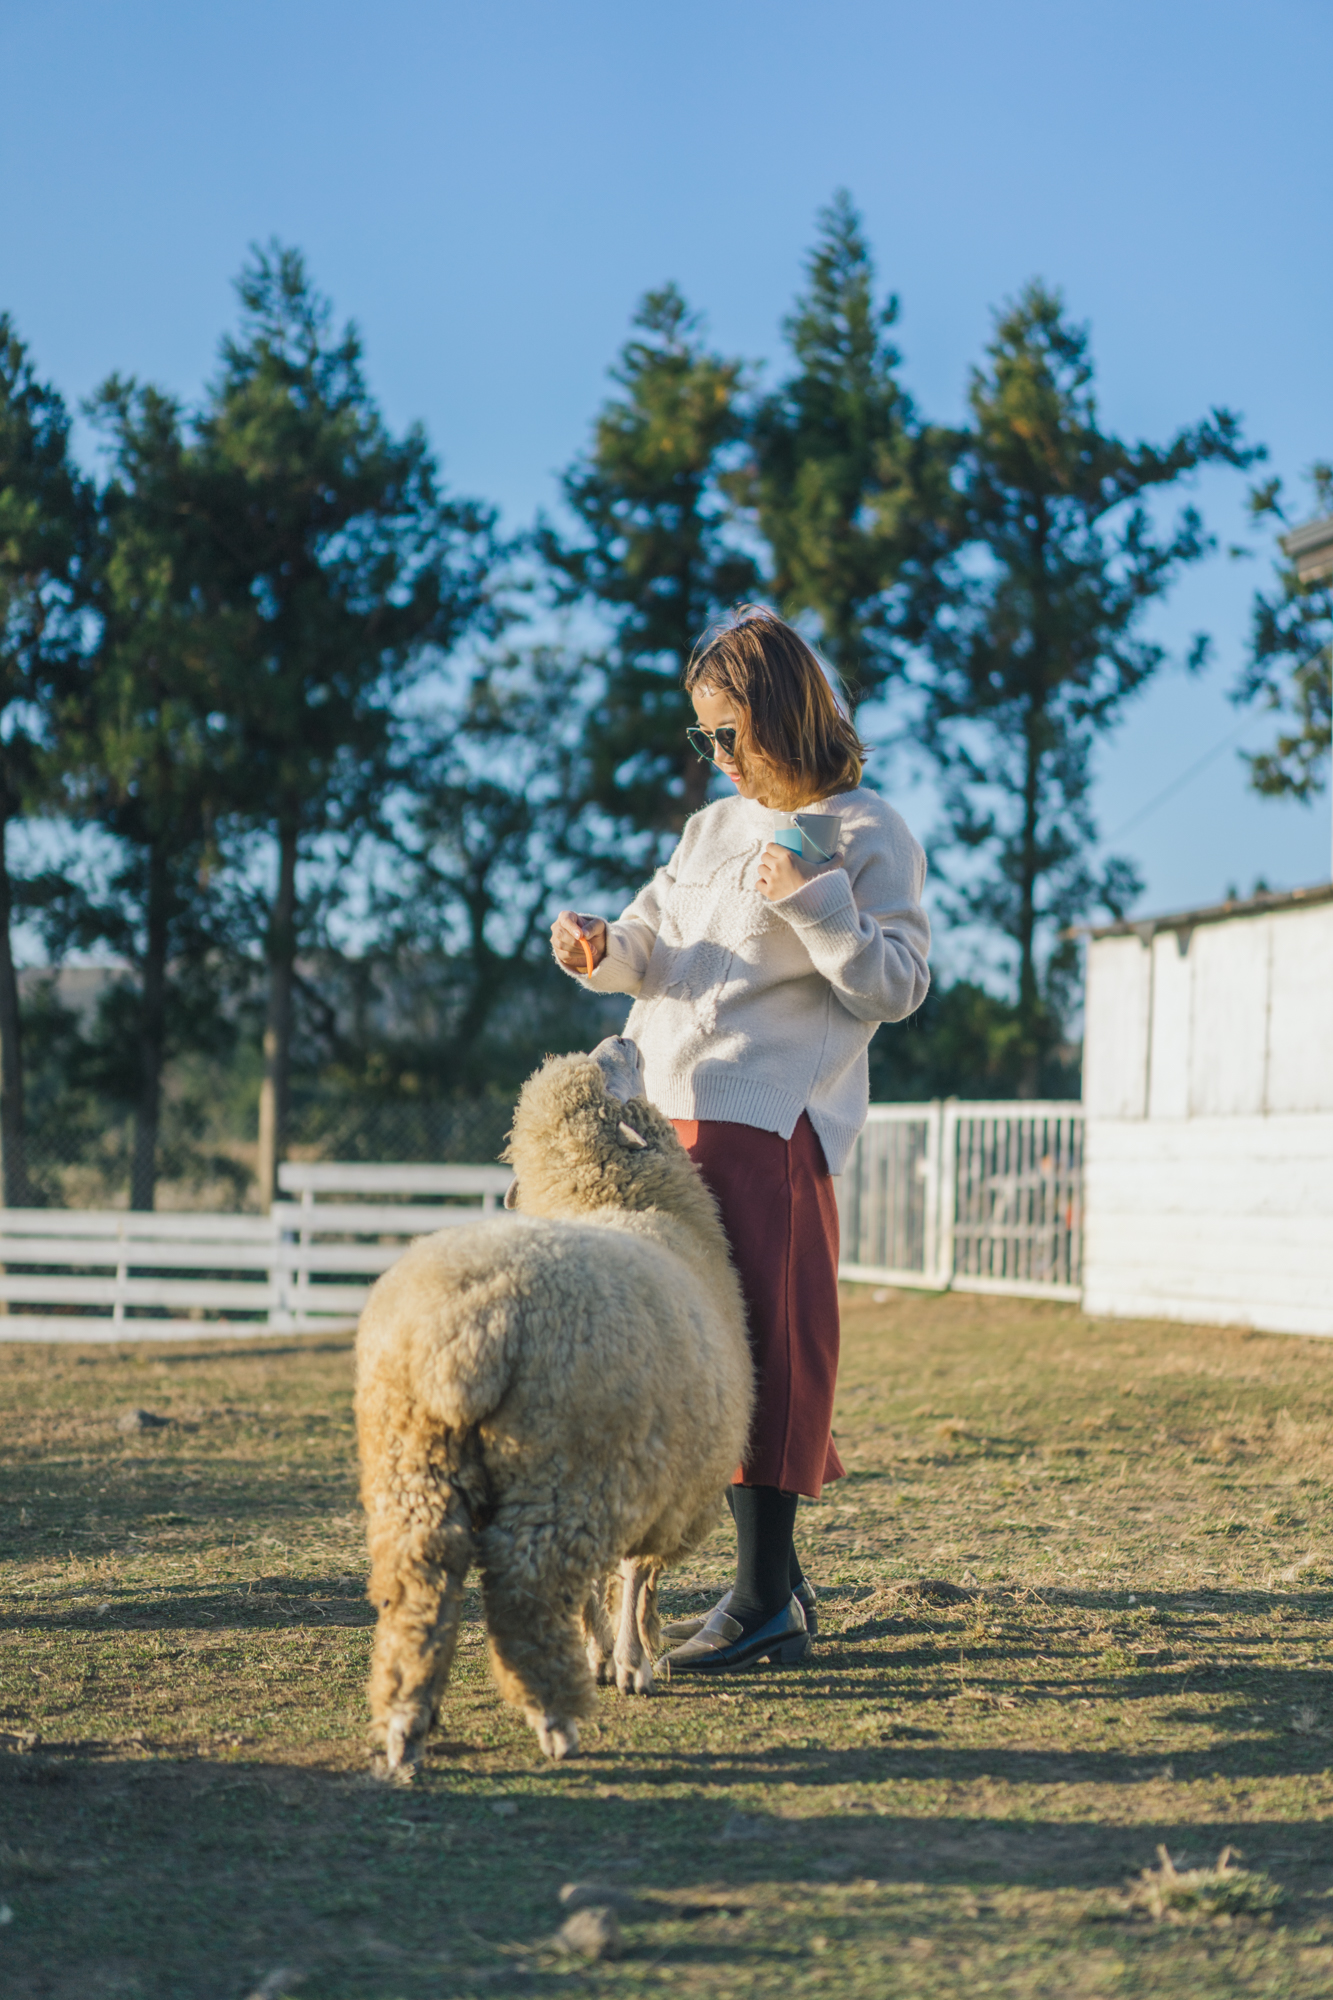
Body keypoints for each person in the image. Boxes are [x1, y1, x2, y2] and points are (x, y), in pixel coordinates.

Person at [551, 606, 930, 1674]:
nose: (716, 758)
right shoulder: (708, 831)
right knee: (684, 1353)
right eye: (702, 738)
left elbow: (896, 985)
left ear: (785, 716)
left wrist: (816, 904)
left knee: (762, 1350)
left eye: (730, 734)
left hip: (763, 1125)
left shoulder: (866, 829)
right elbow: (652, 941)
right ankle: (780, 1586)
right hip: (656, 1119)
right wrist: (599, 947)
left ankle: (764, 1597)